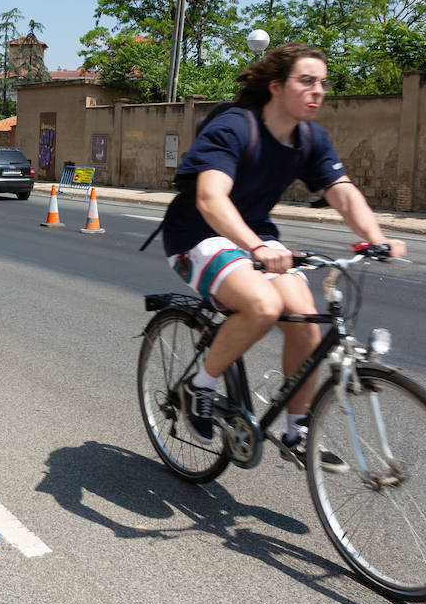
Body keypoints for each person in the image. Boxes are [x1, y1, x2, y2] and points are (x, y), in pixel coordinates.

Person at [160, 42, 406, 465]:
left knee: (308, 321)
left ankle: (296, 431)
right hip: (197, 236)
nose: (319, 91)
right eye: (307, 81)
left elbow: (341, 193)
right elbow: (210, 199)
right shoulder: (235, 128)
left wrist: (374, 238)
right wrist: (255, 246)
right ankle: (198, 386)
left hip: (254, 236)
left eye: (323, 83)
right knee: (263, 304)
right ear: (276, 87)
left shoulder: (310, 138)